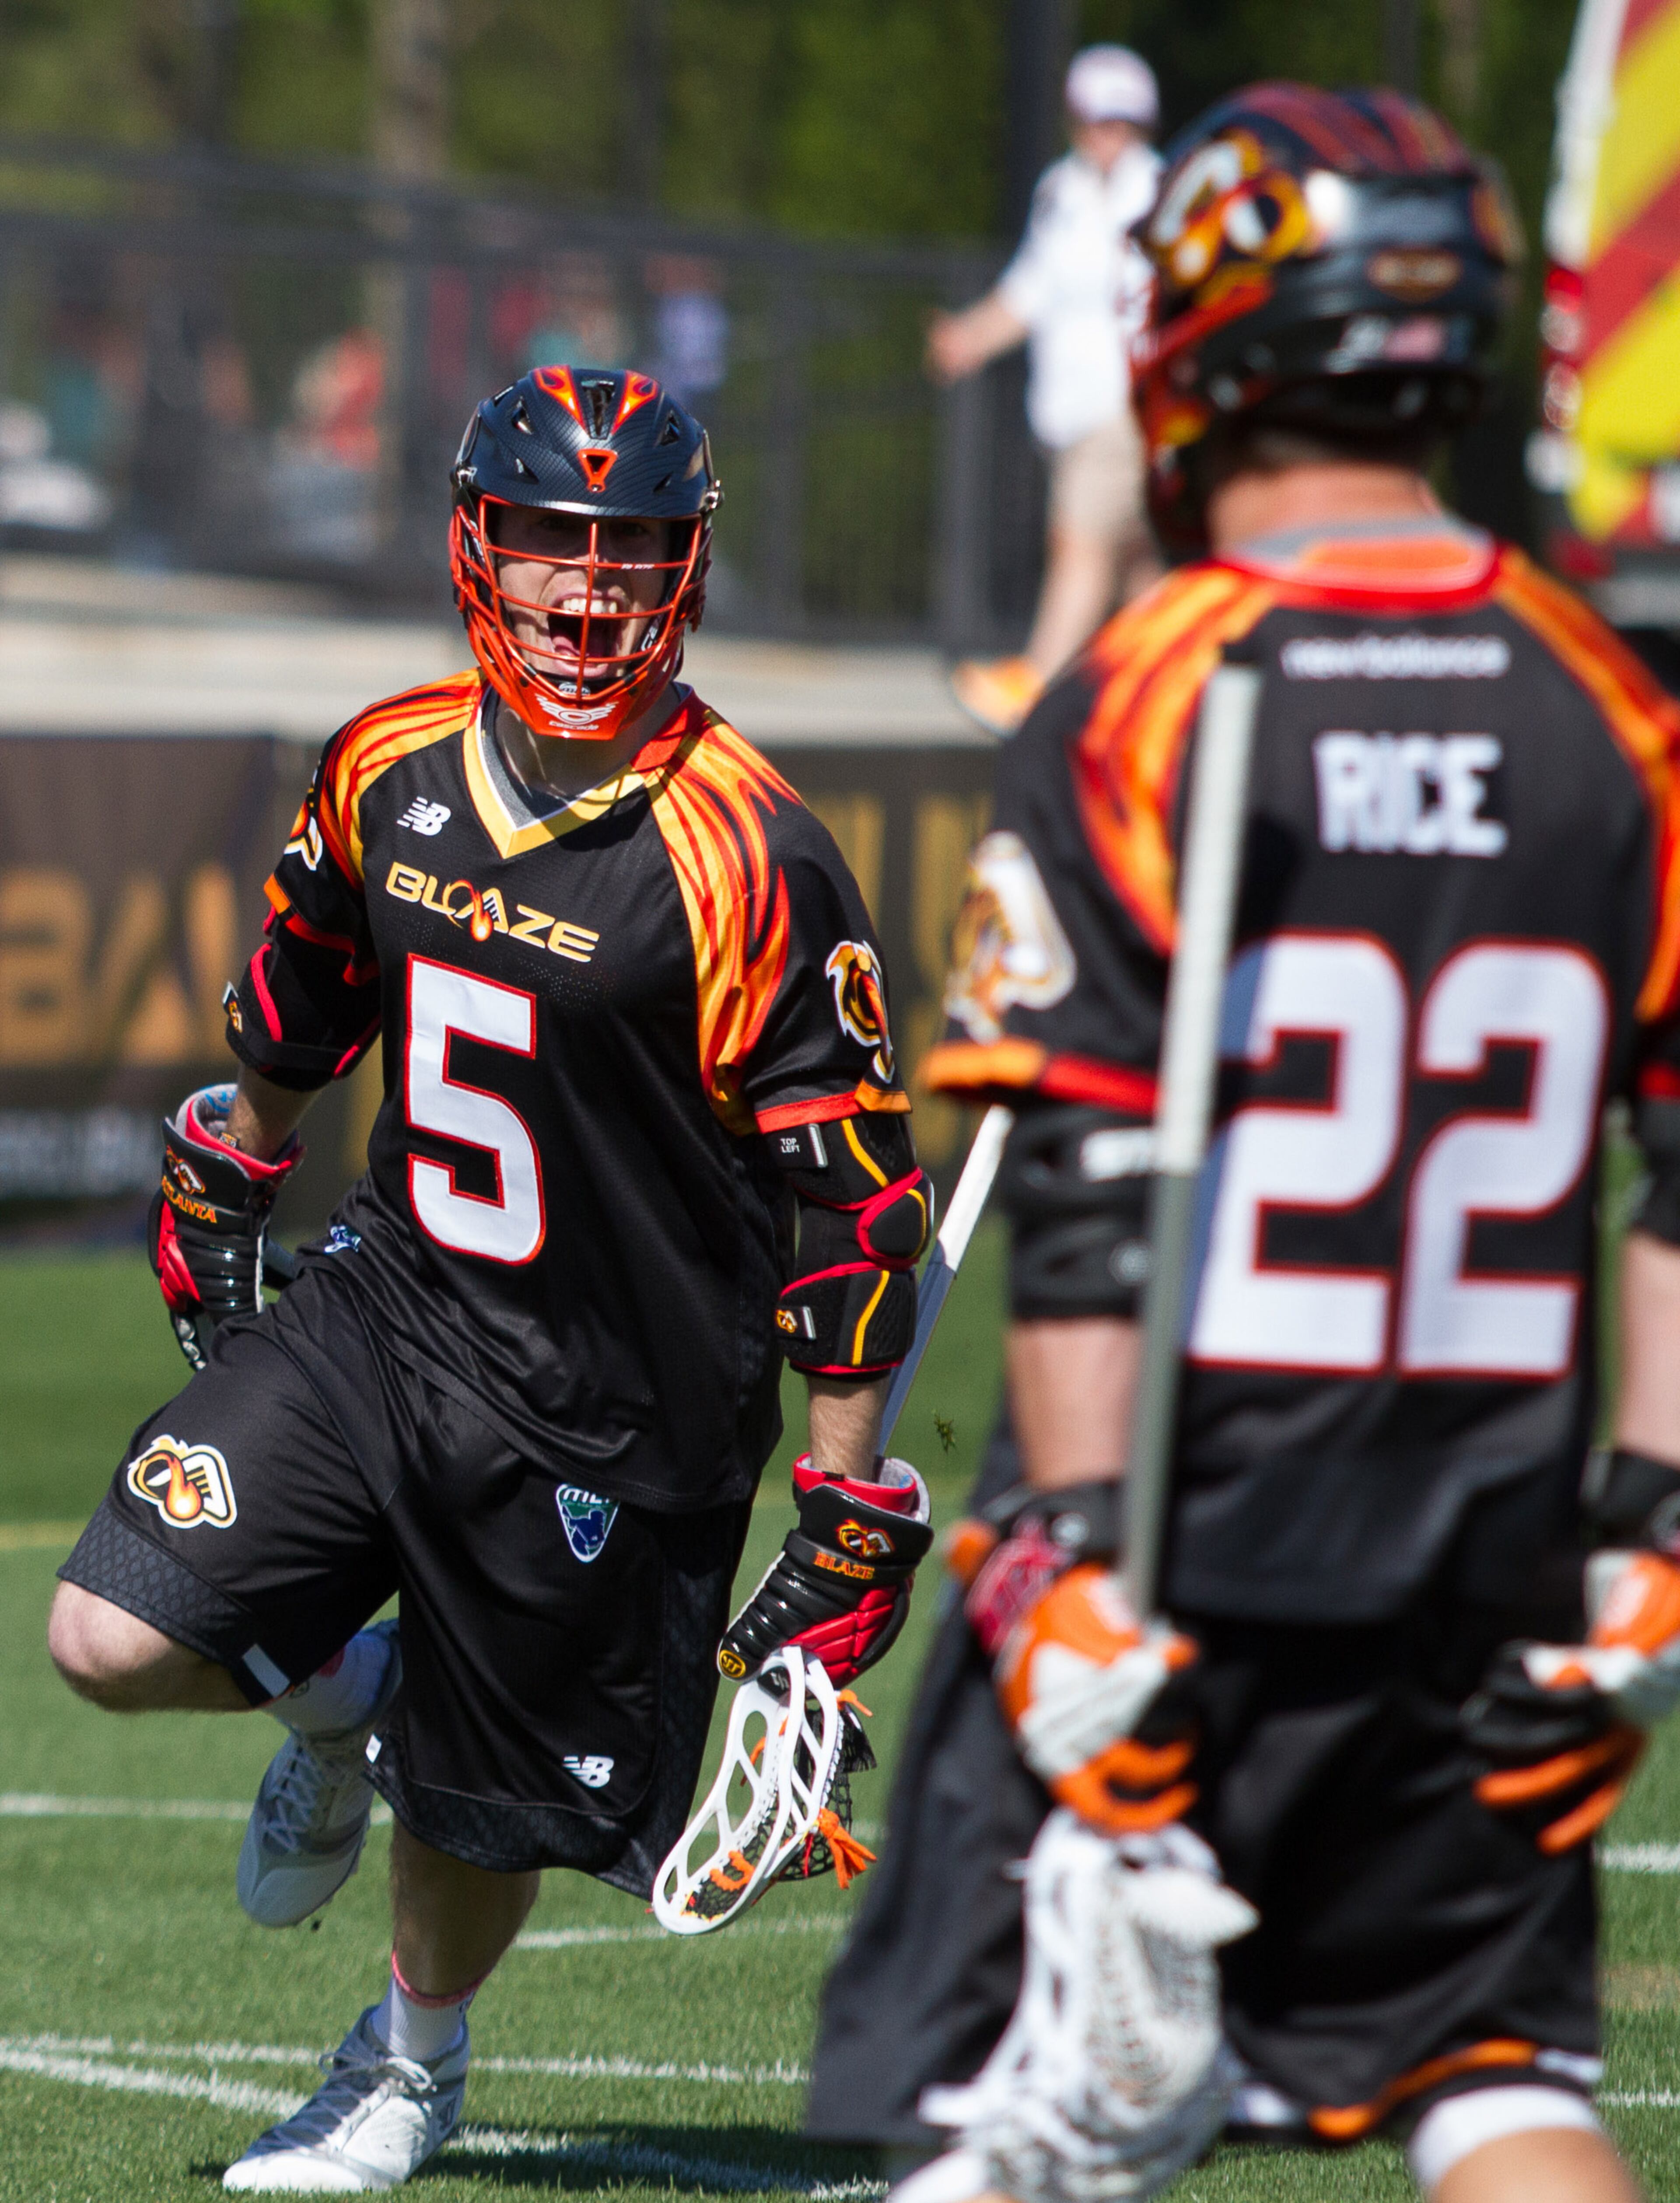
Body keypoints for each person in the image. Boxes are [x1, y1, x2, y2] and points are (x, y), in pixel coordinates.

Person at [808, 82, 1680, 2203]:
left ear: (1202, 333)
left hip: (1184, 1543)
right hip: (1485, 1547)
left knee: (984, 2122)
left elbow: (1092, 1203)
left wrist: (1068, 1566)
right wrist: (1649, 1524)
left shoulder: (1155, 687)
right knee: (1493, 2075)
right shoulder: (1608, 700)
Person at [45, 363, 935, 2194]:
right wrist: (238, 1143)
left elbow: (852, 1209)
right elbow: (302, 987)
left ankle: (407, 2069)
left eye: (626, 552)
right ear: (478, 545)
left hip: (622, 1403)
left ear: (684, 571)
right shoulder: (388, 760)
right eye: (548, 540)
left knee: (484, 1817)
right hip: (394, 1310)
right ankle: (347, 1690)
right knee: (108, 1631)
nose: (583, 591)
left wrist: (849, 1503)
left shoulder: (751, 849)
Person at [930, 44, 1164, 737]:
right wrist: (970, 335)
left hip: (1125, 406)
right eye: (1095, 118)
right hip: (1071, 415)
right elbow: (1032, 289)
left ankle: (1037, 679)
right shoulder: (1061, 191)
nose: (1106, 133)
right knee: (1138, 568)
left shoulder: (1157, 192)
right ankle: (1168, 694)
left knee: (1081, 542)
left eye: (1119, 120)